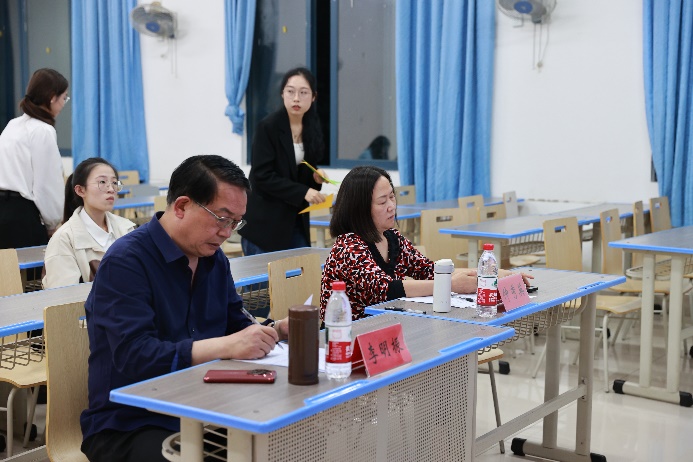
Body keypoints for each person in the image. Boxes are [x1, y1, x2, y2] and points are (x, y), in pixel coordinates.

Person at [80, 155, 289, 462]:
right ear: (181, 206)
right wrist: (227, 345)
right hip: (132, 422)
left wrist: (274, 331)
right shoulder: (126, 261)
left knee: (287, 441)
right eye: (222, 218)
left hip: (206, 406)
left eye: (235, 222)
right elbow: (135, 355)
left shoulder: (213, 259)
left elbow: (236, 322)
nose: (227, 233)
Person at [320, 166, 532, 321]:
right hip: (349, 336)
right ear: (360, 209)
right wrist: (450, 285)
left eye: (392, 197)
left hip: (389, 326)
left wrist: (493, 275)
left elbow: (430, 270)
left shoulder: (392, 238)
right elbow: (386, 289)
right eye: (382, 201)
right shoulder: (349, 246)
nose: (391, 206)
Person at [238, 67, 329, 255]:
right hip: (265, 225)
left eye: (303, 93)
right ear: (282, 94)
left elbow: (300, 176)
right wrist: (304, 191)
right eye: (290, 91)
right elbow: (262, 176)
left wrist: (316, 178)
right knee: (264, 275)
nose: (296, 98)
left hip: (295, 222)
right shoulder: (268, 127)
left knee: (302, 271)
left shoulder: (312, 127)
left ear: (313, 97)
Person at [0, 68, 68, 249]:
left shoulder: (12, 125)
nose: (63, 104)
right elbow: (46, 184)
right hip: (22, 217)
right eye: (64, 98)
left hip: (3, 209)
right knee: (31, 268)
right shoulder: (43, 130)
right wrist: (53, 223)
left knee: (5, 267)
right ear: (52, 98)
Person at [42, 158, 135, 288]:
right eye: (102, 182)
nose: (111, 189)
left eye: (114, 183)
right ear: (80, 190)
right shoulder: (64, 239)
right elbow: (64, 296)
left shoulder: (127, 229)